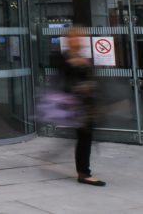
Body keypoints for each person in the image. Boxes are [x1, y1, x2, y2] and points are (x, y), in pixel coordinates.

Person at [52, 28, 105, 186]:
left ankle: (83, 171)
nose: (80, 40)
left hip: (88, 103)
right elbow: (62, 82)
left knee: (85, 137)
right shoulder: (65, 58)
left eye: (81, 37)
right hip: (77, 105)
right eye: (76, 38)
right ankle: (84, 173)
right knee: (84, 137)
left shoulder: (81, 56)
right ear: (69, 40)